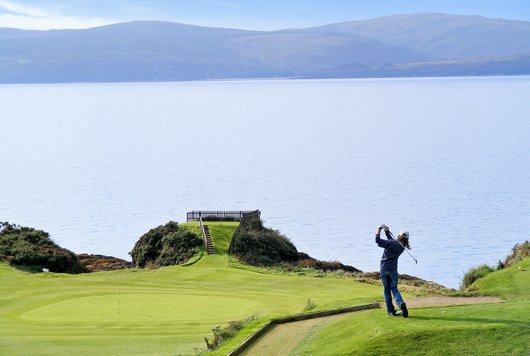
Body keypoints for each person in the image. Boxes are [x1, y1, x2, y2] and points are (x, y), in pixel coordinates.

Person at [375, 224, 410, 317]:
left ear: (399, 236)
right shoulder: (403, 246)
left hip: (384, 268)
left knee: (386, 290)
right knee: (394, 289)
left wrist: (379, 229)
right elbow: (392, 242)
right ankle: (400, 303)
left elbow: (377, 241)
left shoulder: (391, 243)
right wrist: (387, 232)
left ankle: (391, 311)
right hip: (393, 270)